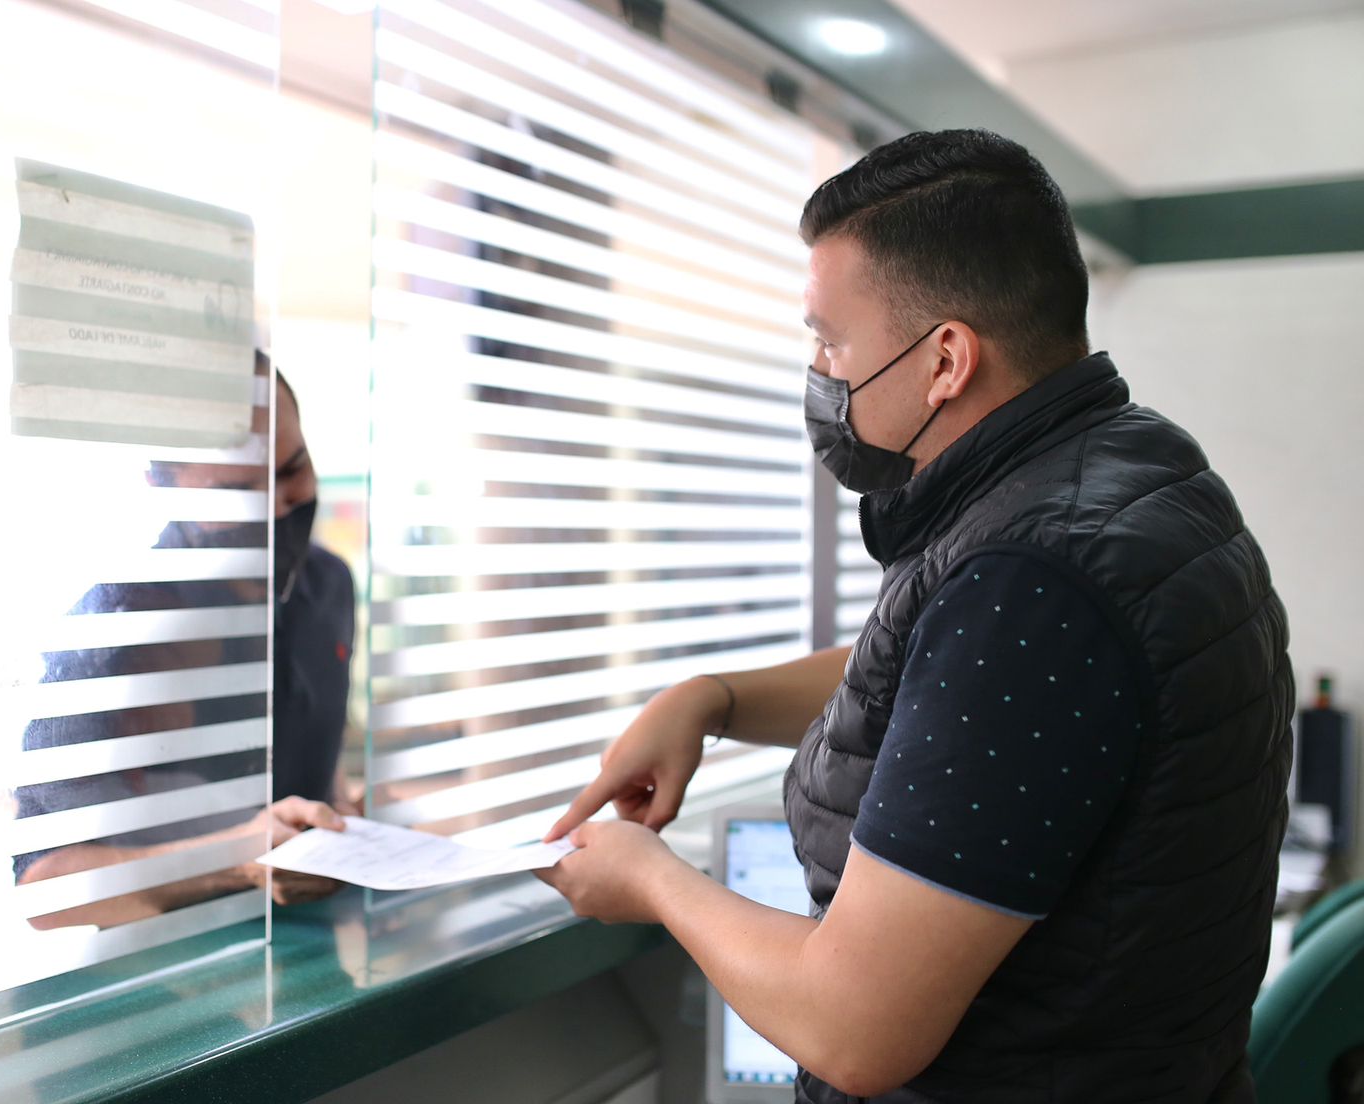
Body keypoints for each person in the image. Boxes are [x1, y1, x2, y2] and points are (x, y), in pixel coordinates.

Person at [539, 129, 1293, 1102]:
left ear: (945, 360)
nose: (819, 371)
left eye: (831, 342)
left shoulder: (1033, 580)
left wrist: (651, 879)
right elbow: (947, 683)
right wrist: (713, 699)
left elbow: (853, 1027)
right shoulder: (1127, 474)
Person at [14, 357, 359, 926]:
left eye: (294, 469)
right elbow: (44, 890)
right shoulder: (115, 631)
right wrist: (236, 861)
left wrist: (345, 814)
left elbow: (319, 758)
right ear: (164, 488)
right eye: (238, 490)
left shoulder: (329, 585)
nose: (278, 507)